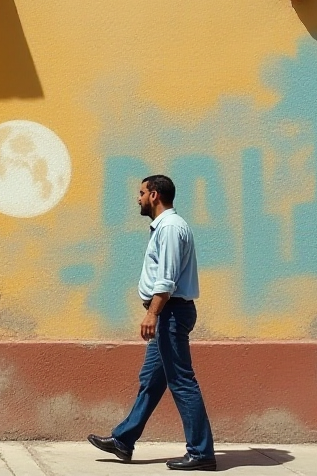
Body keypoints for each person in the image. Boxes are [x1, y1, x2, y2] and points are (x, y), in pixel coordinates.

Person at [87, 175, 216, 471]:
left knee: (182, 381)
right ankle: (123, 440)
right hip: (169, 312)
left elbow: (167, 279)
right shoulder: (167, 226)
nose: (138, 198)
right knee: (151, 381)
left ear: (154, 195)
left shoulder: (169, 228)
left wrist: (152, 314)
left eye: (141, 193)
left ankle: (201, 452)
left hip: (170, 312)